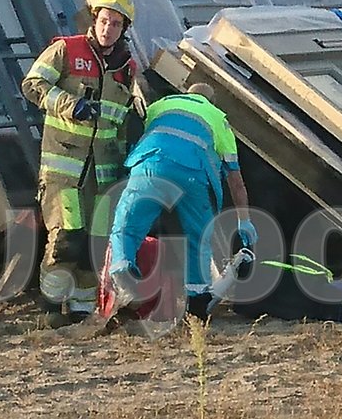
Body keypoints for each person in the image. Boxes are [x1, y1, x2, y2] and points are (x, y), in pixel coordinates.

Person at [20, 0, 142, 323]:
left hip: (103, 175)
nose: (108, 28)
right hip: (63, 169)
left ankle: (80, 310)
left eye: (116, 24)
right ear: (95, 20)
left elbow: (120, 122)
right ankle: (50, 308)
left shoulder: (127, 69)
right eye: (104, 21)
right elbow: (32, 85)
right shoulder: (66, 49)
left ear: (124, 29)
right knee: (66, 238)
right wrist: (70, 105)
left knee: (94, 243)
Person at [102, 84, 253, 325]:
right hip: (192, 174)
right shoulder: (218, 119)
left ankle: (124, 276)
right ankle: (197, 306)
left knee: (126, 227)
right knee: (199, 239)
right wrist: (244, 222)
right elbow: (235, 181)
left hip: (150, 166)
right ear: (211, 101)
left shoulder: (160, 106)